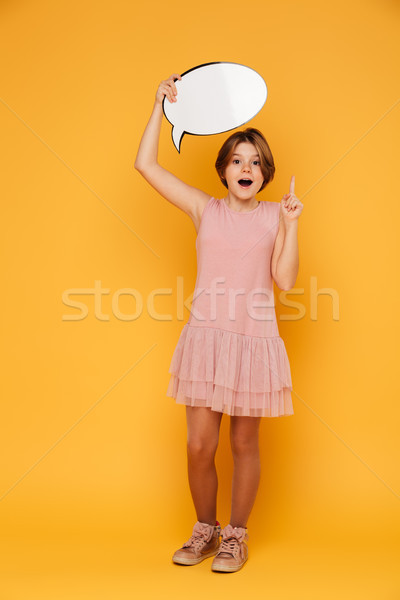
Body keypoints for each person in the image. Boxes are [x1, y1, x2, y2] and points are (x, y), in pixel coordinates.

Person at [134, 73, 303, 573]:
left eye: (254, 162)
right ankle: (205, 530)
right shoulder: (202, 209)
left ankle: (236, 537)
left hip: (253, 342)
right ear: (223, 171)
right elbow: (144, 164)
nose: (245, 168)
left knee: (243, 443)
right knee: (199, 444)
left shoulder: (276, 215)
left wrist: (292, 225)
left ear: (264, 172)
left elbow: (286, 281)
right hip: (206, 341)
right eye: (236, 160)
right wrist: (159, 107)